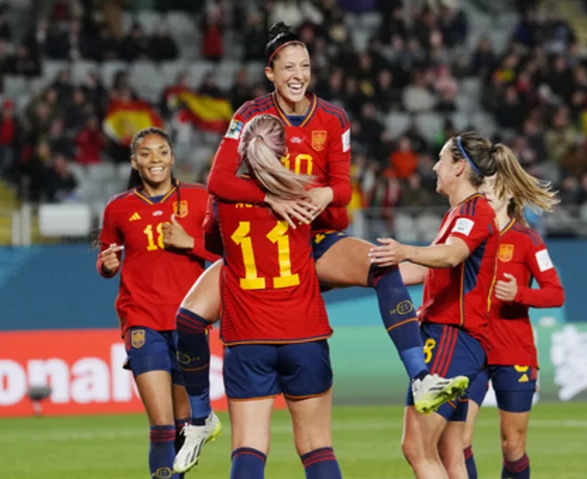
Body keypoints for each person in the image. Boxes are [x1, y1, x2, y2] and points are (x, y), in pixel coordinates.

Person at [173, 22, 459, 472]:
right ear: (270, 73)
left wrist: (325, 195)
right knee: (188, 318)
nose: (298, 74)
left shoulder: (333, 119)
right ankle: (197, 417)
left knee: (380, 265)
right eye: (288, 66)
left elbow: (342, 198)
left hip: (312, 240)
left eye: (305, 66)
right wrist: (273, 199)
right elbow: (218, 181)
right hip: (267, 243)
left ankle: (421, 377)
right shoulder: (251, 116)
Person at [368, 132, 525, 479]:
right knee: (450, 451)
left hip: (451, 337)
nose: (434, 166)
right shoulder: (460, 215)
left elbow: (452, 254)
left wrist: (405, 249)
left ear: (458, 167)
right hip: (464, 342)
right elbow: (428, 268)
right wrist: (367, 272)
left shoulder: (474, 212)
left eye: (441, 159)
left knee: (417, 447)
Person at [206, 114, 343, 478]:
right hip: (304, 331)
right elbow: (340, 220)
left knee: (249, 445)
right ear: (284, 151)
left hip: (248, 333)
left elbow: (209, 242)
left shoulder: (223, 201)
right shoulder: (303, 194)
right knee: (317, 445)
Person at [96, 127, 222, 479]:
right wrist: (106, 267)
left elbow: (225, 253)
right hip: (142, 320)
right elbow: (107, 258)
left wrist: (190, 243)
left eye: (162, 152)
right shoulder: (118, 208)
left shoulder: (200, 199)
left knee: (184, 427)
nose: (156, 160)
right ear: (135, 162)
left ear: (172, 157)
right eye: (147, 153)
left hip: (189, 322)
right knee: (162, 426)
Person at [461, 173, 564, 479]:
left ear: (510, 195)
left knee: (512, 444)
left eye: (494, 187)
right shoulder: (467, 236)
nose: (487, 192)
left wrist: (518, 293)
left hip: (513, 351)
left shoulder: (527, 239)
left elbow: (556, 293)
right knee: (458, 440)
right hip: (472, 347)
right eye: (482, 187)